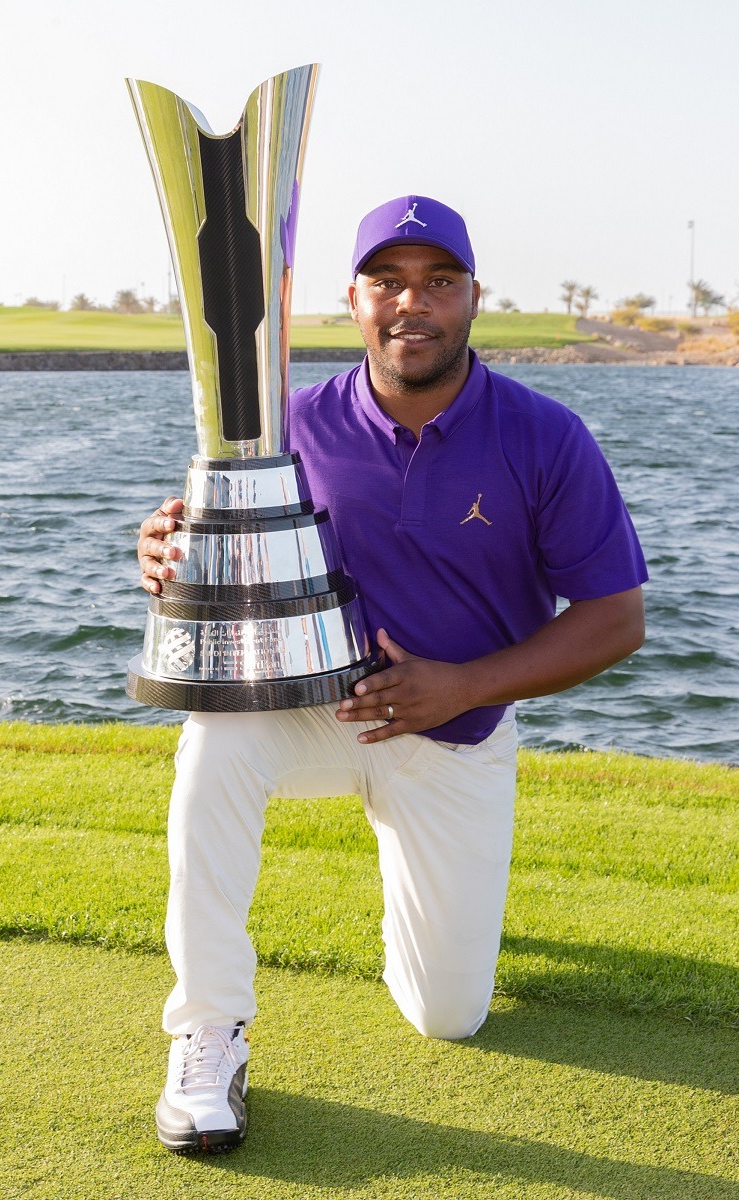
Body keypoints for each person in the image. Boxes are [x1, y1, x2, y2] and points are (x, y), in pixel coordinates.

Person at [137, 195, 647, 1154]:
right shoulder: (288, 421)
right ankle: (207, 1029)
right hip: (314, 712)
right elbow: (209, 558)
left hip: (456, 730)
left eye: (438, 282)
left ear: (471, 300)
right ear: (355, 299)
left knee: (448, 1016)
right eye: (389, 281)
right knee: (213, 743)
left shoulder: (548, 436)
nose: (413, 303)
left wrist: (461, 686)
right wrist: (165, 550)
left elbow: (616, 621)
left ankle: (425, 886)